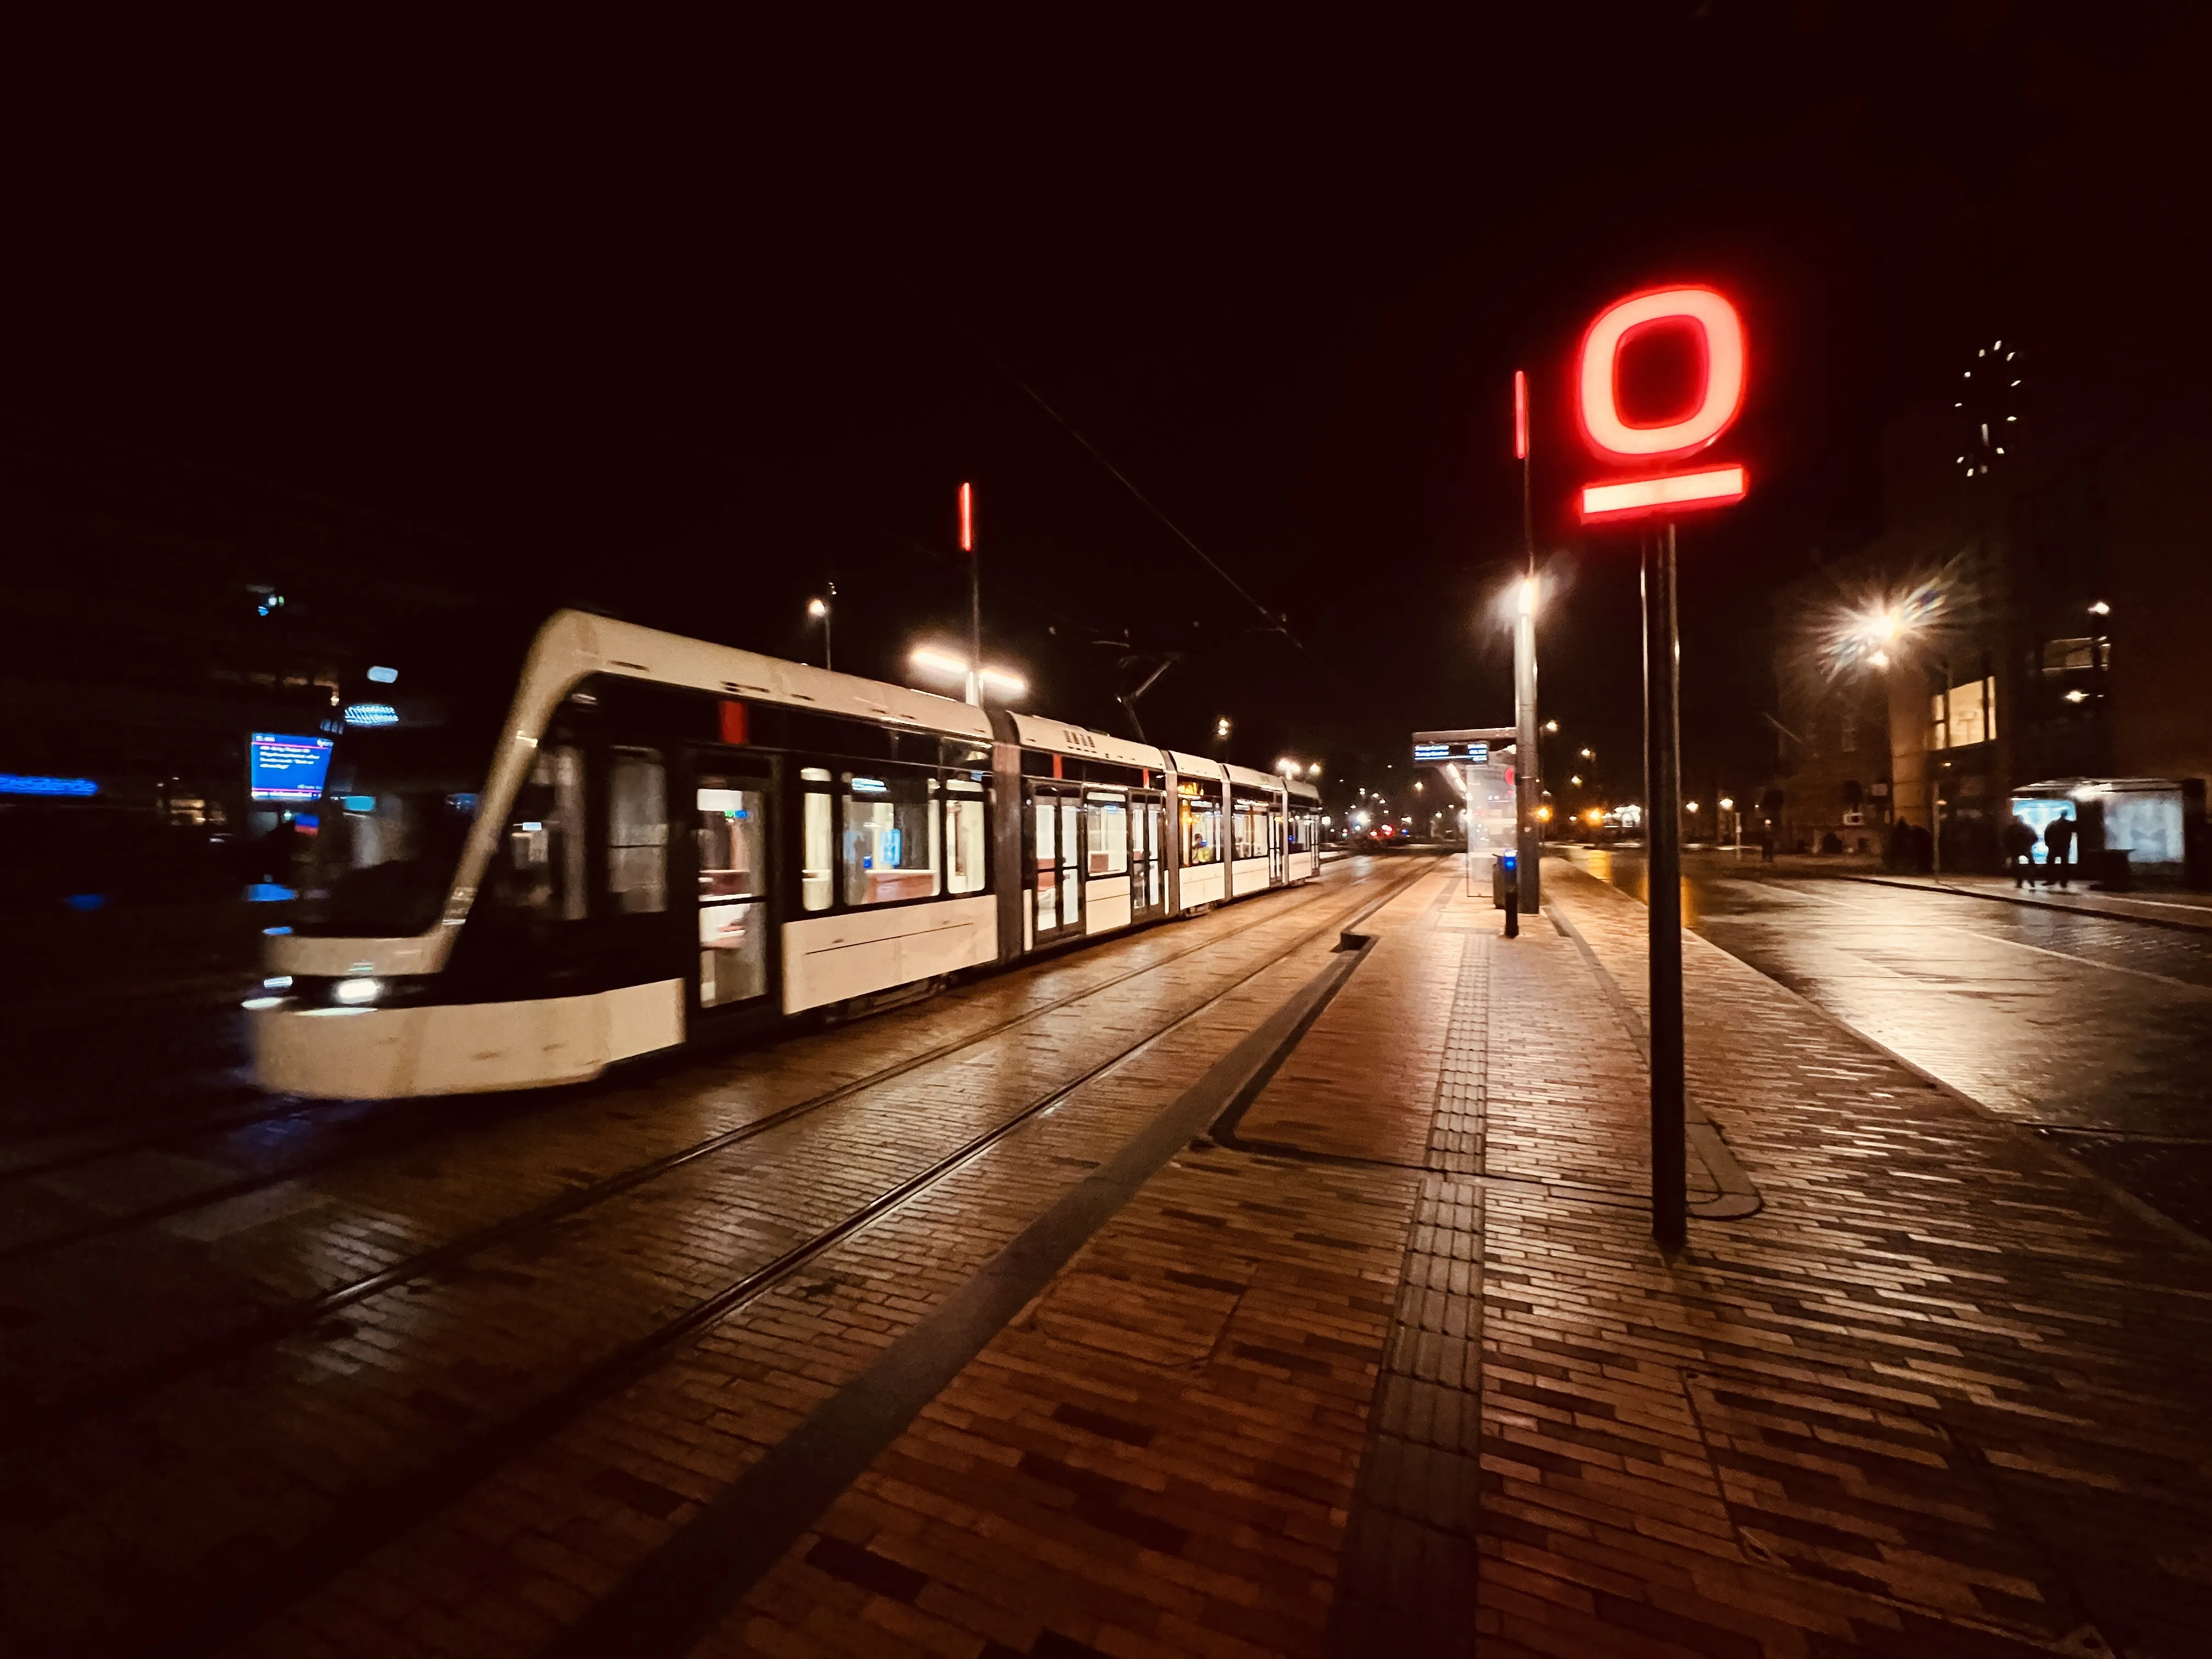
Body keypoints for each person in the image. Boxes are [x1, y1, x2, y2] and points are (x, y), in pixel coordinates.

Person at [2001, 815, 2038, 887]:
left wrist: (2009, 849)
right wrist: (2029, 845)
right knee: (2031, 865)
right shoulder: (2028, 828)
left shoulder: (2011, 829)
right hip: (2026, 849)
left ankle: (2019, 882)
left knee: (2016, 867)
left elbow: (2006, 840)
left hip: (2015, 850)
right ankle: (2031, 879)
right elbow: (2035, 838)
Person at [2043, 813, 2076, 889]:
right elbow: (2078, 829)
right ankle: (2063, 882)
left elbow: (2047, 834)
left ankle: (2051, 880)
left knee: (2050, 863)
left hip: (2053, 846)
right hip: (2064, 847)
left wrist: (2048, 844)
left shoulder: (2053, 824)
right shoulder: (2069, 824)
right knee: (2064, 864)